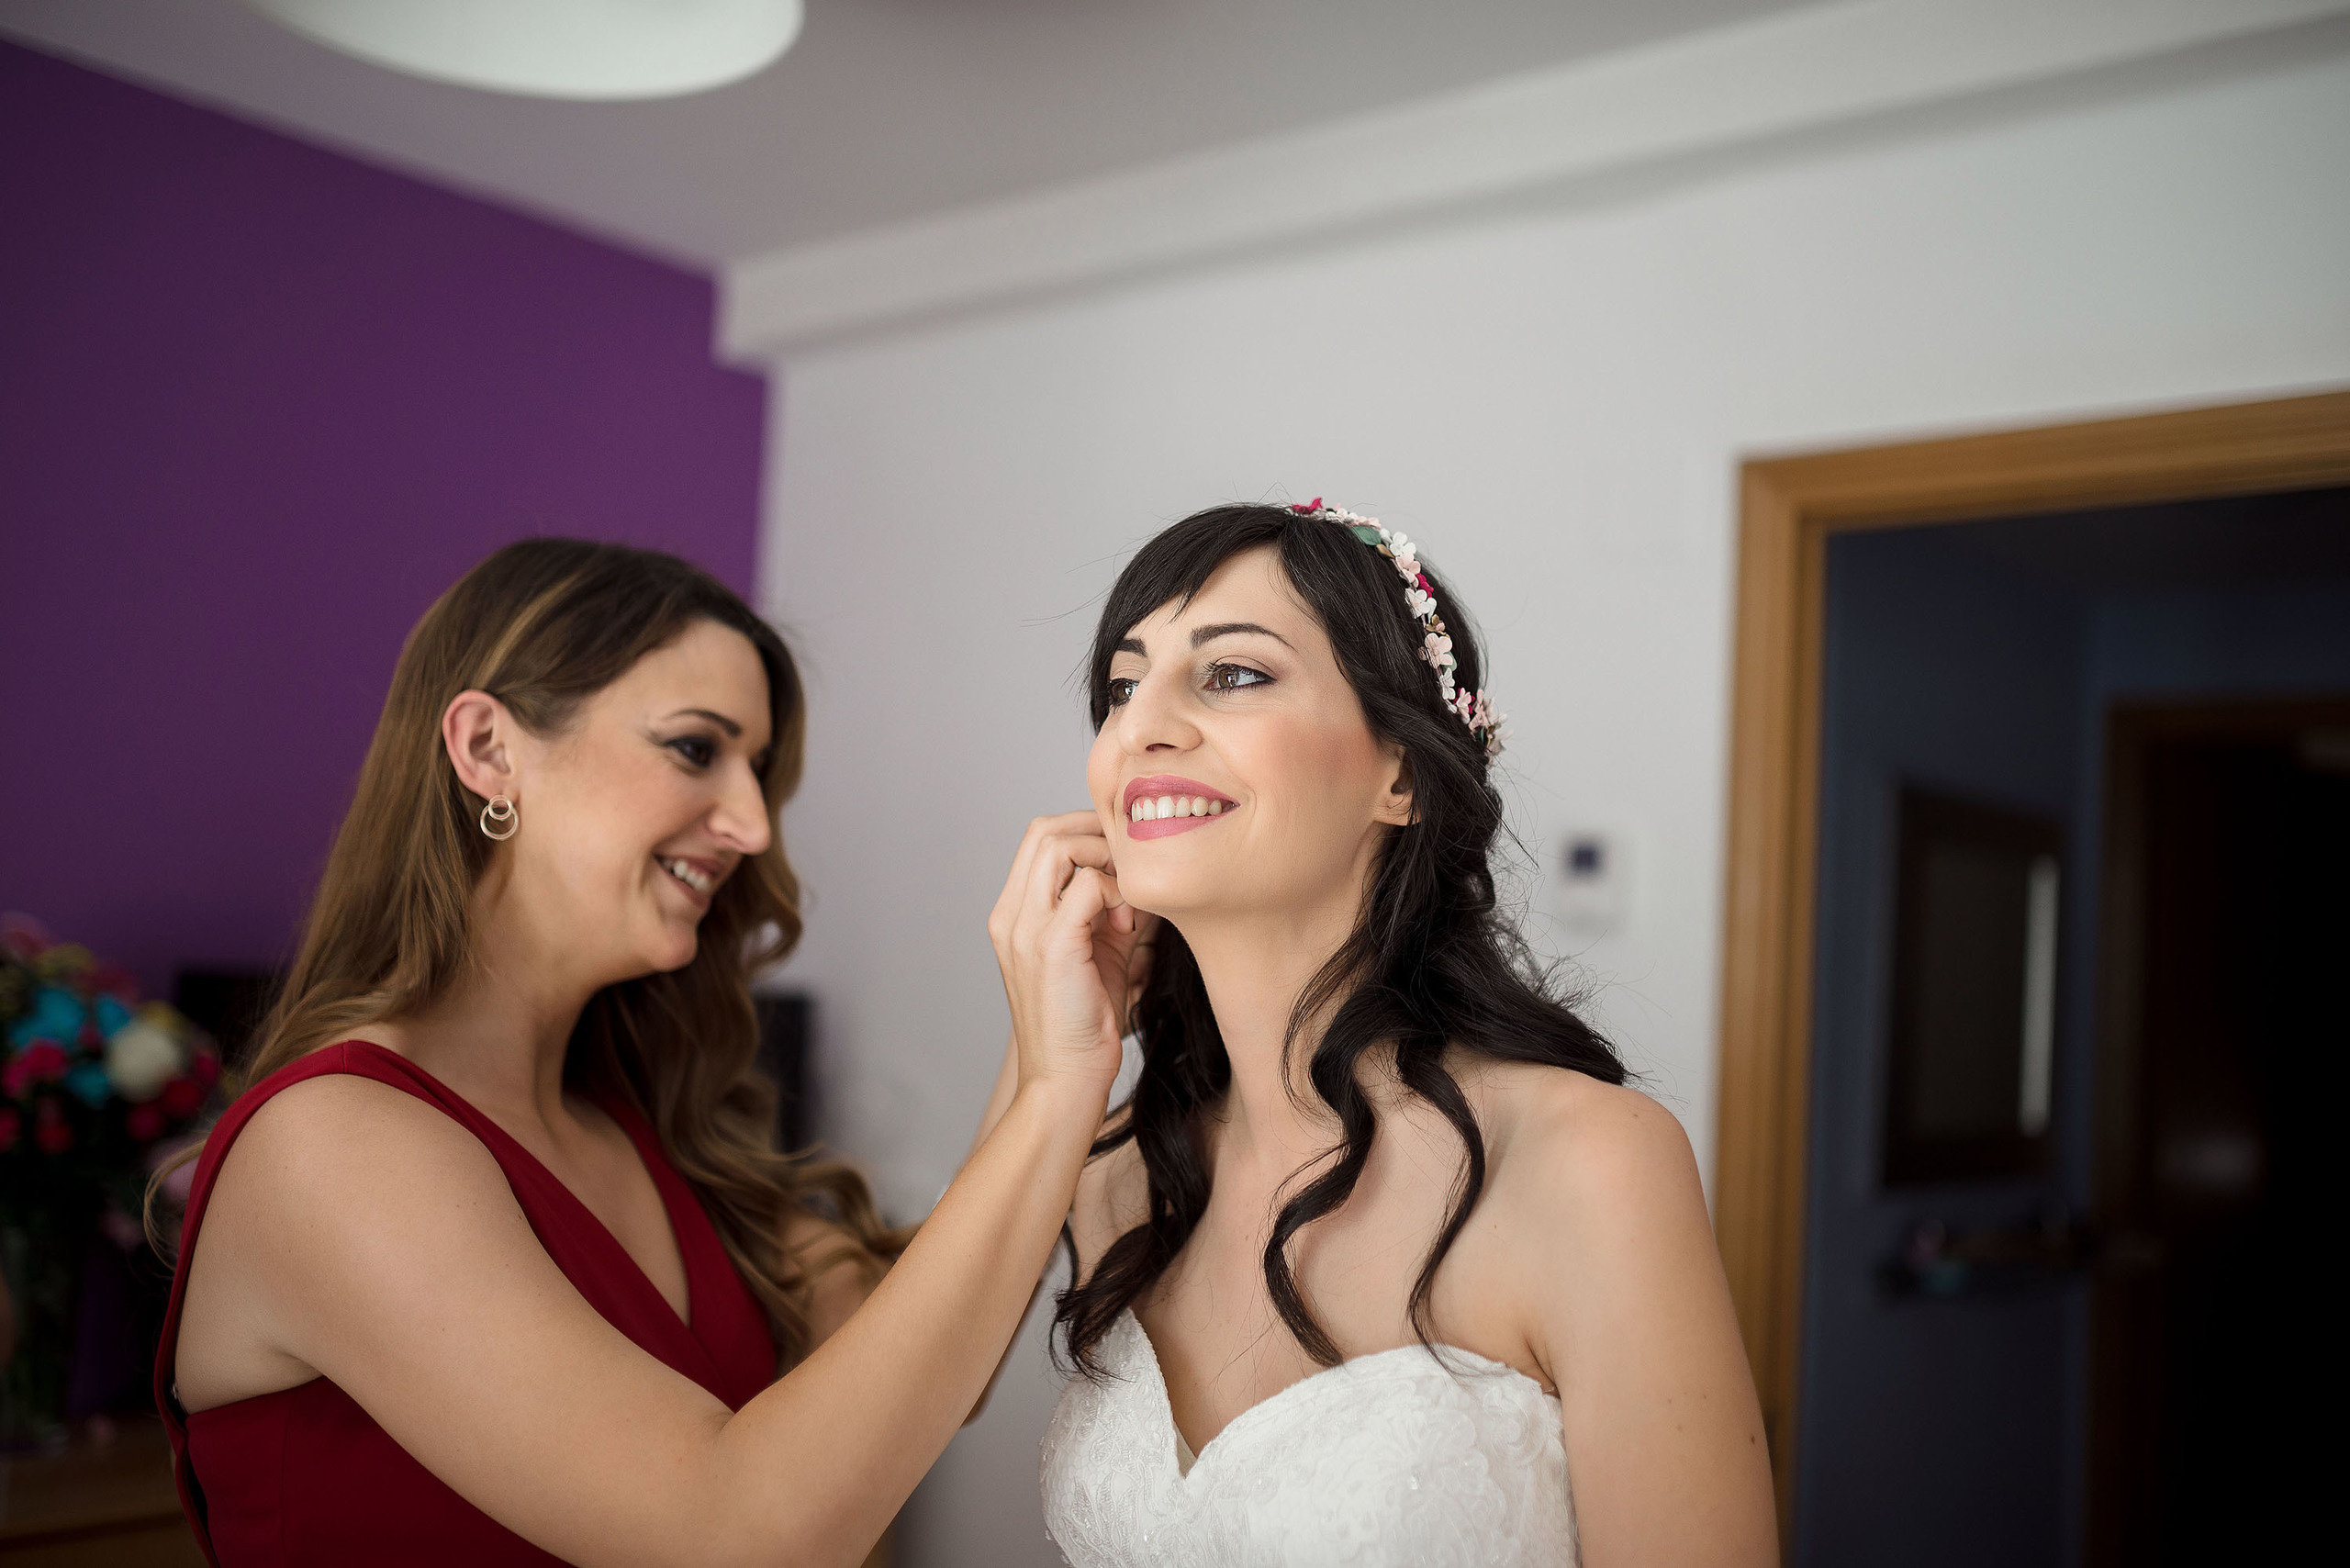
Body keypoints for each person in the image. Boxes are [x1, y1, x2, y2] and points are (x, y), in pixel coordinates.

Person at [153, 539, 1126, 1567]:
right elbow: (730, 1535)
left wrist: (1064, 1027)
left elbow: (924, 1370)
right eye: (695, 749)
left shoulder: (634, 1125)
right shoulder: (332, 1145)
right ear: (488, 749)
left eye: (756, 770)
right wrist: (1060, 1086)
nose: (752, 825)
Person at [990, 501, 1777, 1565]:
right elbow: (902, 1415)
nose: (1142, 726)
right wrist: (1043, 1066)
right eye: (1123, 685)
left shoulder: (1588, 1163)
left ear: (1399, 774)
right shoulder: (1119, 1170)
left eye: (1233, 673)